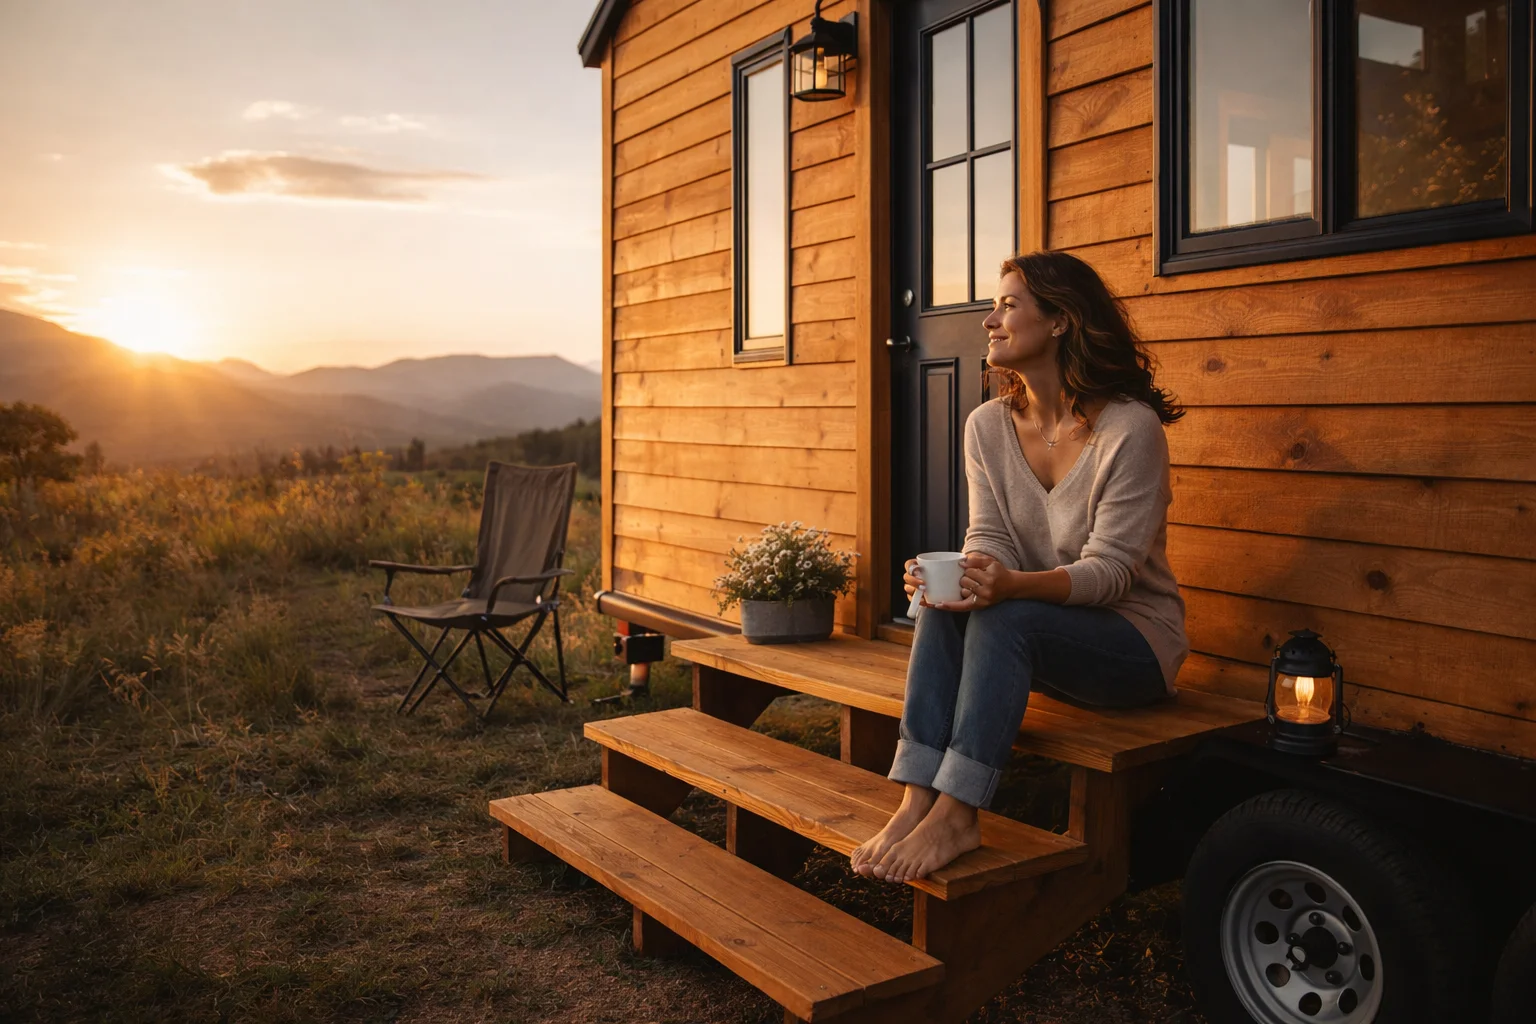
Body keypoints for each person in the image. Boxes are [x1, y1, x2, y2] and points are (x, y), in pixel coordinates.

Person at [850, 250, 1189, 884]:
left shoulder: (1129, 429)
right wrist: (967, 576)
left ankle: (959, 813)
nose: (988, 321)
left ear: (1061, 320)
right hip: (1041, 635)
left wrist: (1008, 588)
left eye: (1008, 305)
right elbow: (990, 537)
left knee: (1005, 618)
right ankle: (917, 799)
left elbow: (1112, 571)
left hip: (1133, 646)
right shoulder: (988, 425)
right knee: (945, 604)